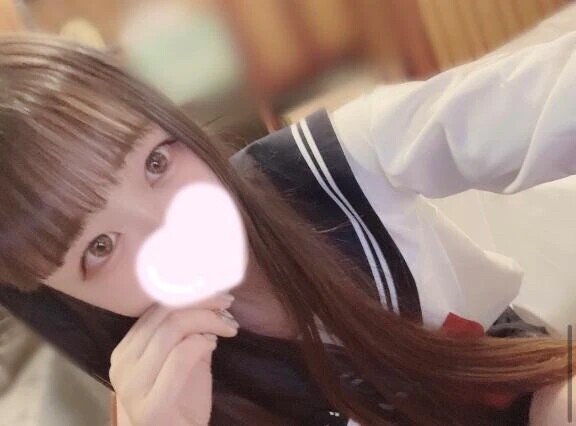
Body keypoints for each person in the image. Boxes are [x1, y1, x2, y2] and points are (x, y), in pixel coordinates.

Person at [0, 31, 574, 426]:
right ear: (50, 290)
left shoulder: (336, 163)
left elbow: (543, 101)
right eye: (99, 246)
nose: (173, 228)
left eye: (155, 162)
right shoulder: (152, 402)